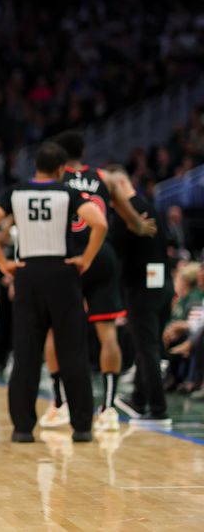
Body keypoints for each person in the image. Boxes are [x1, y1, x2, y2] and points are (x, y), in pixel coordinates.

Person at [0, 142, 107, 443]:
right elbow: (99, 223)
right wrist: (86, 259)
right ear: (62, 169)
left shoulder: (14, 193)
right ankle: (82, 427)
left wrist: (3, 263)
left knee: (26, 353)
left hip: (27, 274)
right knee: (72, 351)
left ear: (35, 167)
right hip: (63, 273)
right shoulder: (68, 193)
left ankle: (22, 429)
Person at [40, 130, 157, 432]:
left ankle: (60, 404)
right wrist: (141, 226)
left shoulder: (55, 178)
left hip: (69, 257)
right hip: (102, 256)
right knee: (107, 333)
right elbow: (130, 217)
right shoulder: (104, 176)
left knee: (54, 330)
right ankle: (108, 410)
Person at [106, 165, 173, 426]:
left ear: (119, 184)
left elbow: (114, 255)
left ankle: (158, 410)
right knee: (150, 346)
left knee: (147, 350)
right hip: (163, 286)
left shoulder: (126, 214)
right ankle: (139, 399)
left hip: (141, 290)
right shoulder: (152, 206)